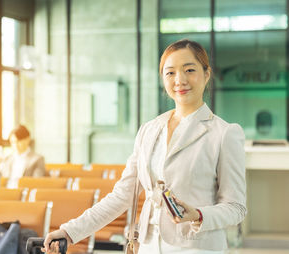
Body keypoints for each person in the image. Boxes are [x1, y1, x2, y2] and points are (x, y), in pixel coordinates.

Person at [43, 39, 246, 253]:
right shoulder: (149, 130)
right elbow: (122, 196)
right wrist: (69, 232)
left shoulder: (224, 133)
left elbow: (236, 208)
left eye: (189, 70)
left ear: (206, 75)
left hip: (197, 247)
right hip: (148, 245)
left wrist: (199, 214)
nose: (180, 80)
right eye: (170, 73)